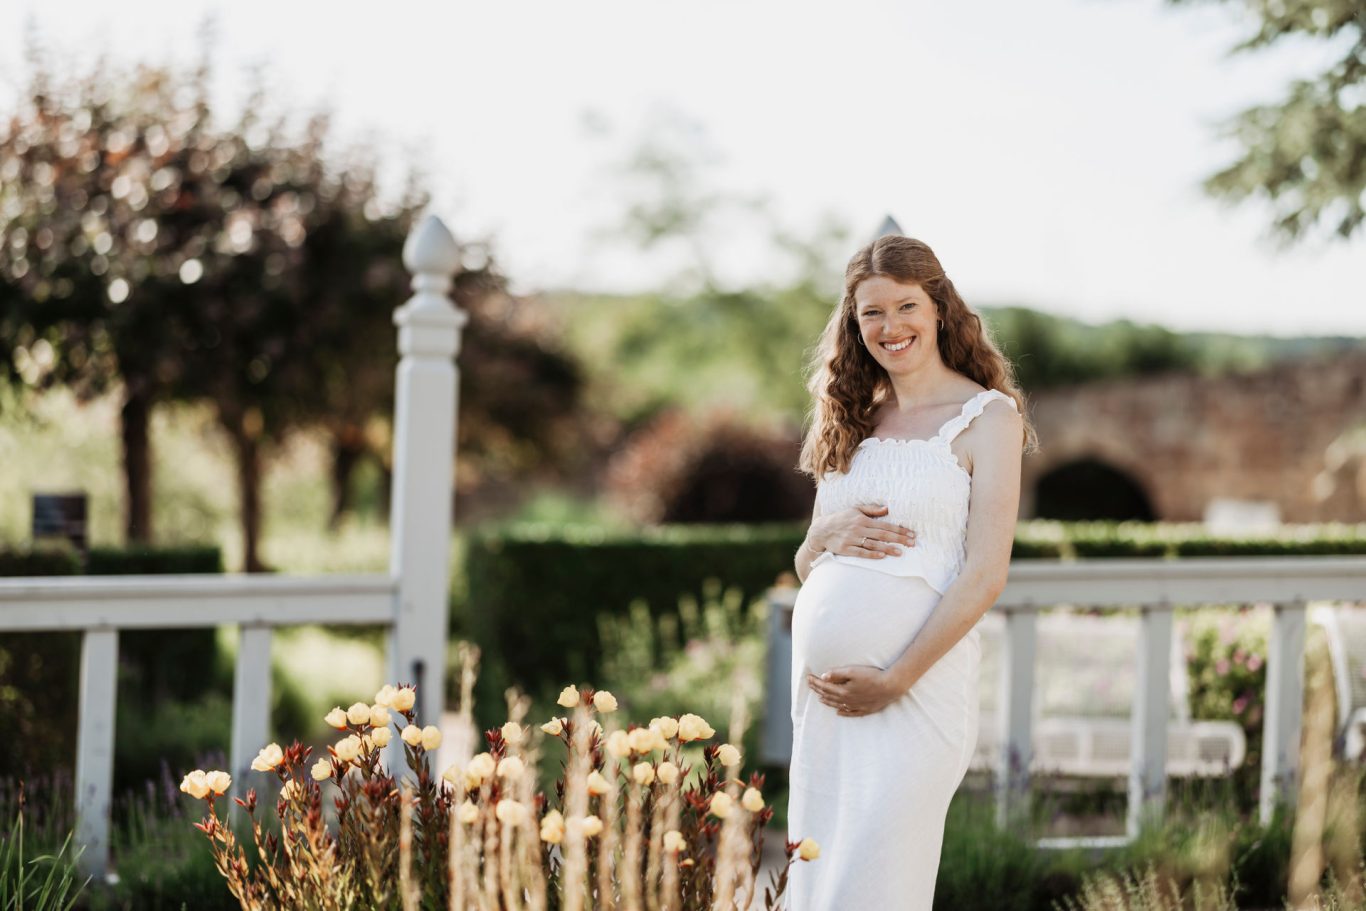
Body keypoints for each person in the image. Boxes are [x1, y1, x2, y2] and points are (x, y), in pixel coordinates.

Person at [786, 234, 1038, 910]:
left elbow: (985, 575)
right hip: (827, 704)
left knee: (876, 885)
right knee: (817, 882)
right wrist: (823, 535)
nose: (890, 327)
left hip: (915, 692)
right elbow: (808, 563)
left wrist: (894, 678)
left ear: (939, 308)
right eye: (872, 313)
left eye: (906, 307)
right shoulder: (850, 416)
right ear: (853, 322)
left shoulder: (988, 417)